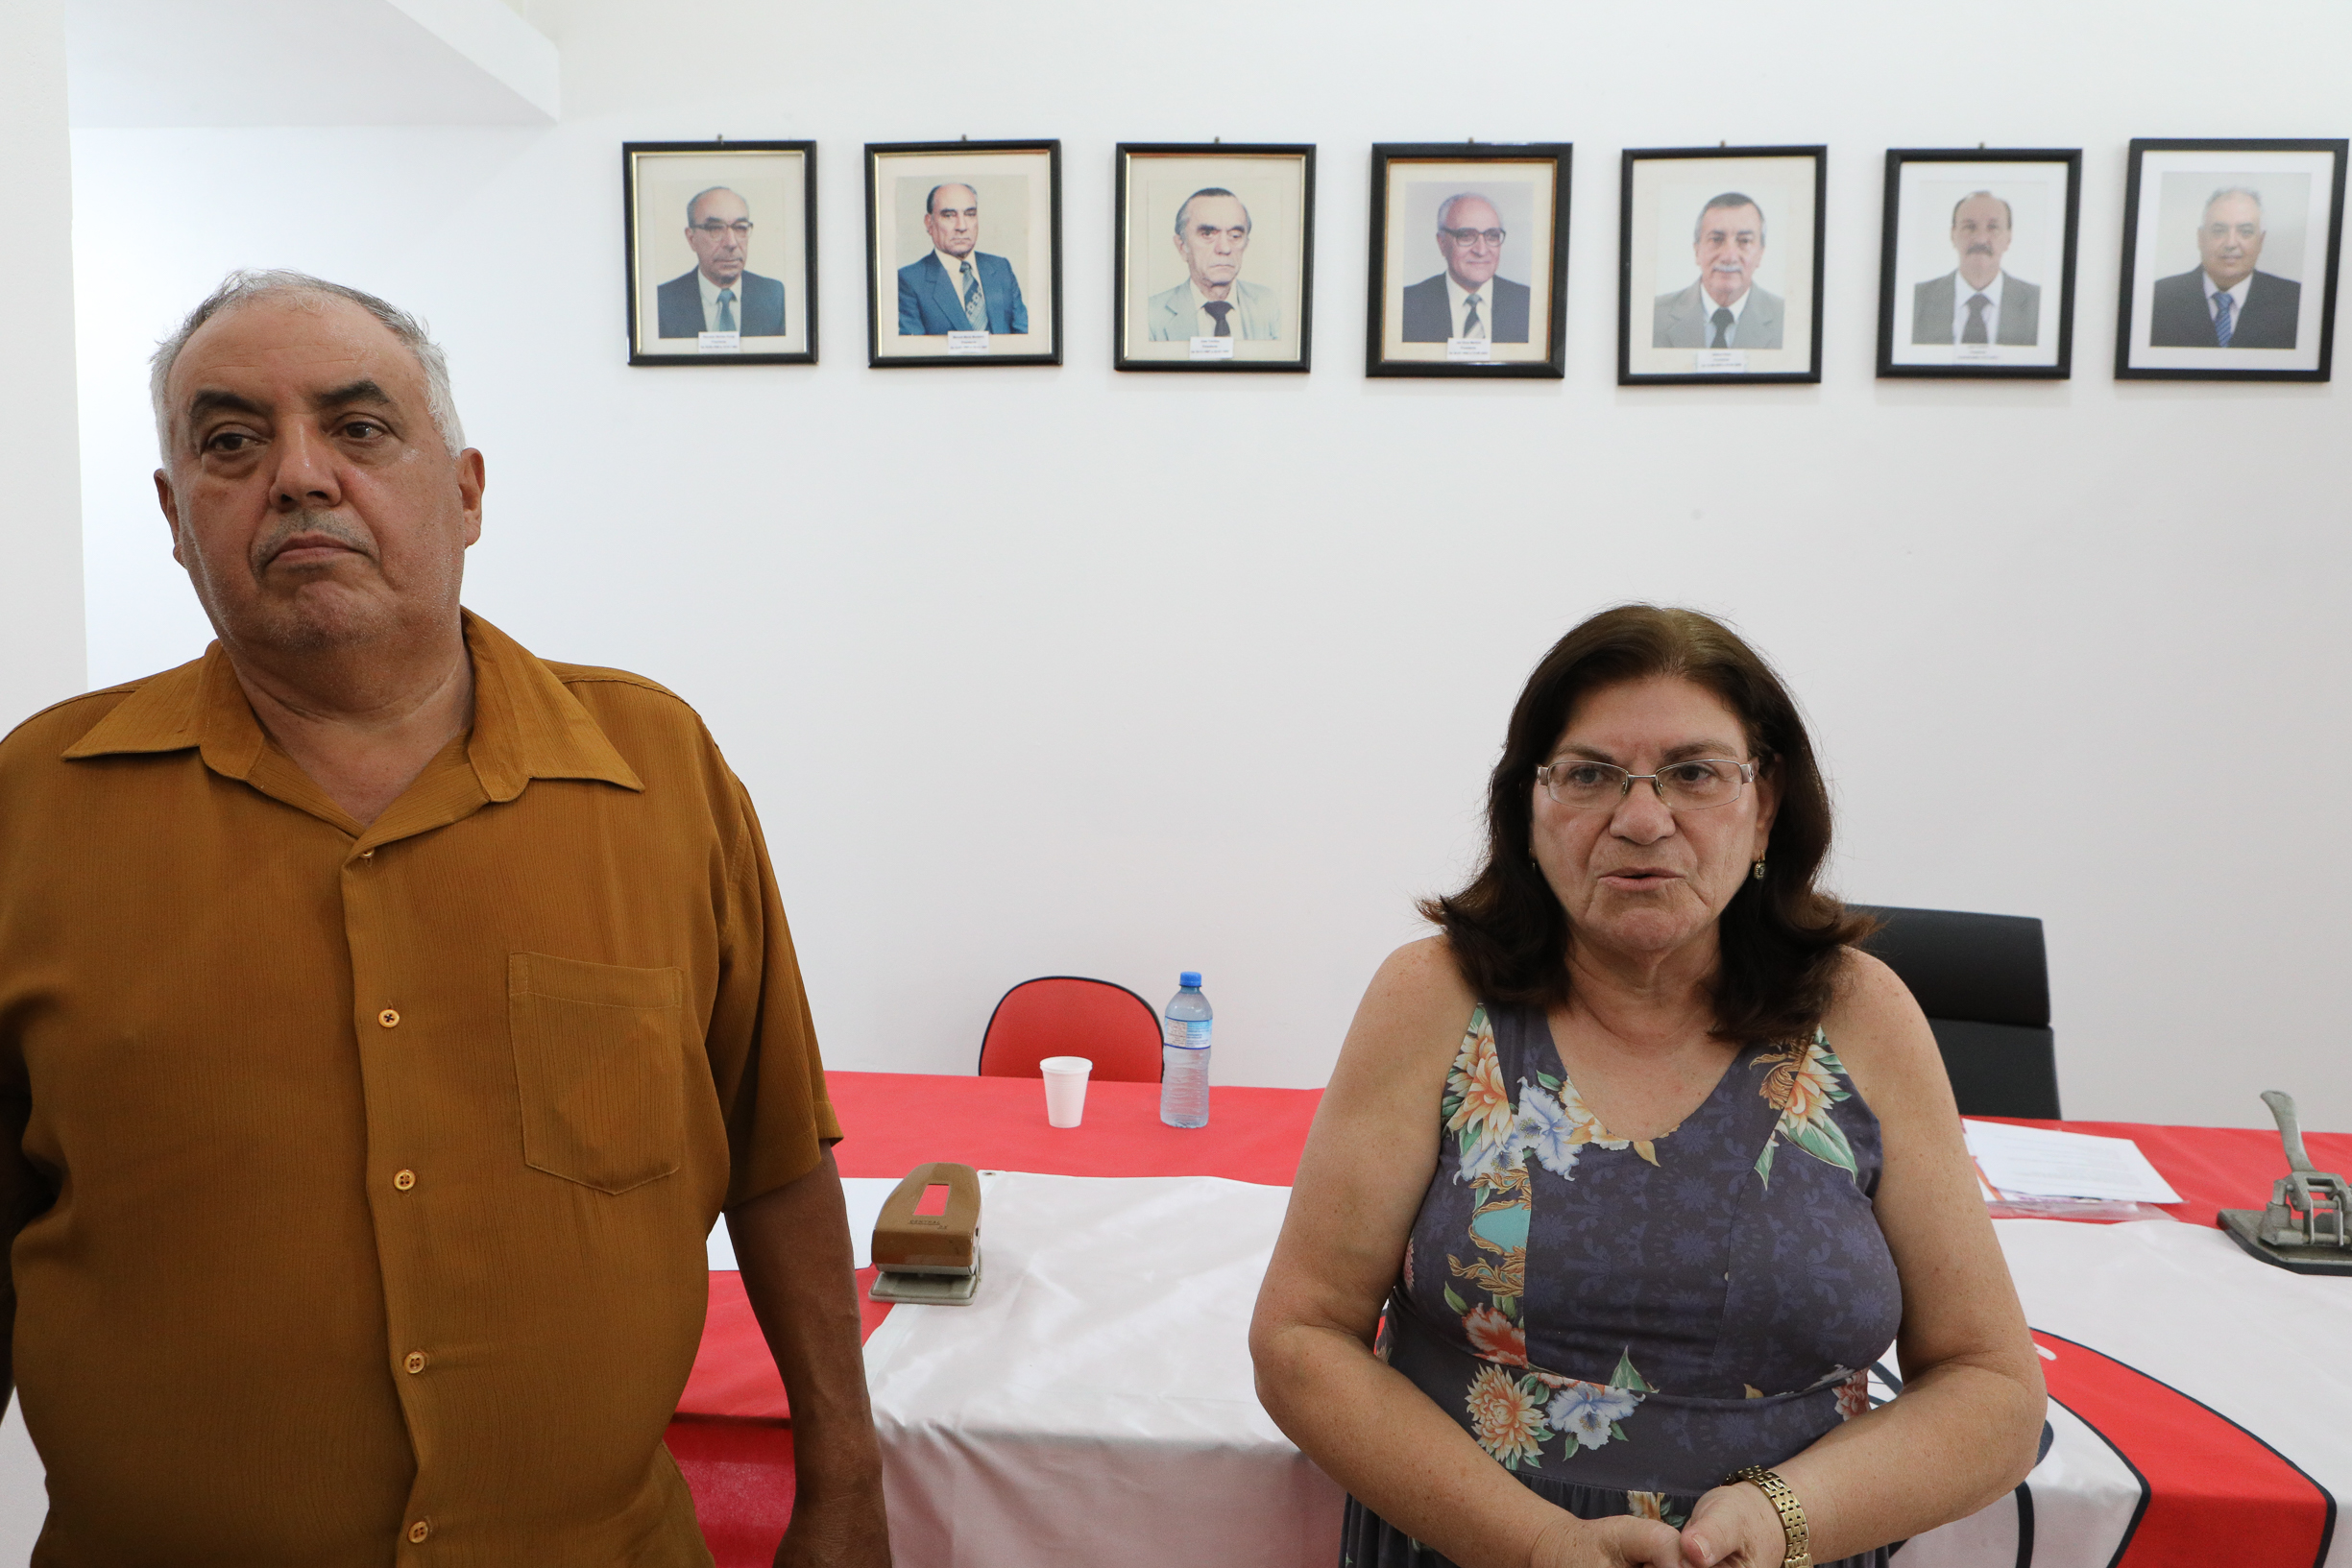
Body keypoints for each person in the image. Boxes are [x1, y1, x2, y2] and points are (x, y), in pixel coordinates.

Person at [0, 270, 889, 1566]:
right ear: (175, 517)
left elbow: (776, 1154)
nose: (298, 476)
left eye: (359, 429)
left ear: (466, 492)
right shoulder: (35, 806)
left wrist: (845, 1480)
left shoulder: (658, 772)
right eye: (231, 441)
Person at [1251, 605, 2046, 1568]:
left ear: (1764, 805)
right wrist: (1541, 1545)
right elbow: (1303, 1337)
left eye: (1695, 774)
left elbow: (1992, 1388)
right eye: (1589, 775)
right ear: (1529, 808)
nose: (1639, 818)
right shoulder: (1432, 998)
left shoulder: (1860, 1012)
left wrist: (1779, 1517)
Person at [2149, 186, 2301, 349]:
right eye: (2219, 231)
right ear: (2200, 238)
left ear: (2261, 241)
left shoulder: (2296, 302)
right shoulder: (2158, 298)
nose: (2231, 243)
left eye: (2245, 232)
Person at [1148, 187, 1283, 341]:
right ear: (1182, 246)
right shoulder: (1150, 315)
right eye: (1207, 234)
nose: (1224, 248)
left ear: (1246, 244)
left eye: (1235, 235)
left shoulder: (1269, 304)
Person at [1654, 194, 1783, 350]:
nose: (1729, 256)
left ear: (1760, 254)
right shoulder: (1653, 317)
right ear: (1697, 251)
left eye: (1744, 241)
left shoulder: (1787, 320)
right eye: (1716, 239)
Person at [897, 181, 1029, 335]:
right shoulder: (909, 280)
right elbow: (914, 353)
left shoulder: (1001, 268)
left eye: (970, 214)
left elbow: (1025, 340)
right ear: (929, 223)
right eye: (949, 216)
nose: (962, 226)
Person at [1911, 190, 2041, 346]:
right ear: (1953, 235)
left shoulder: (2038, 304)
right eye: (1969, 227)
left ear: (2009, 238)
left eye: (1993, 227)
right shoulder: (1915, 301)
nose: (1980, 239)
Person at [656, 185, 788, 337]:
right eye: (715, 229)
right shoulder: (661, 303)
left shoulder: (775, 296)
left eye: (740, 228)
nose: (731, 243)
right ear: (691, 238)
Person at [1402, 194, 1531, 343]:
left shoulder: (1528, 304)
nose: (1481, 250)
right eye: (1466, 236)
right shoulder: (1406, 306)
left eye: (1492, 236)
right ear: (1442, 243)